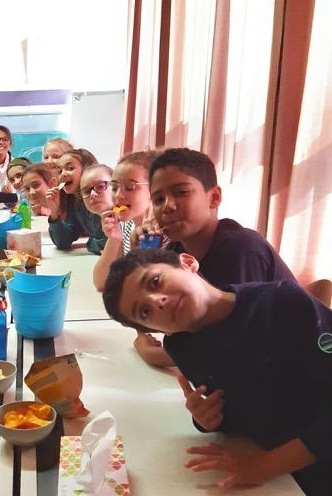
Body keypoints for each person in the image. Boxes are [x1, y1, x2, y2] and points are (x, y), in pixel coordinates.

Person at [103, 247, 329, 488]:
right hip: (281, 476)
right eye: (144, 311)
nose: (157, 301)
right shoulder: (182, 346)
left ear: (187, 262)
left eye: (155, 282)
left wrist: (263, 467)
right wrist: (208, 418)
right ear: (155, 329)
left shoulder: (282, 302)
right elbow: (244, 409)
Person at [134, 147, 295, 369]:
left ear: (214, 197)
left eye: (181, 192)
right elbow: (159, 316)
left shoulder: (241, 249)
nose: (167, 206)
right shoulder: (176, 251)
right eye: (158, 199)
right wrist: (141, 259)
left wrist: (153, 354)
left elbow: (236, 345)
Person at [93, 151, 156, 291]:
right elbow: (101, 282)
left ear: (154, 189)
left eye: (129, 187)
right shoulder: (126, 225)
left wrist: (146, 242)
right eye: (114, 187)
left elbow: (145, 286)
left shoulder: (161, 233)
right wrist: (114, 238)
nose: (118, 195)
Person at [45, 148, 108, 254]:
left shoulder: (99, 200)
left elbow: (106, 243)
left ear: (87, 170)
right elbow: (63, 242)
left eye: (70, 168)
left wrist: (90, 244)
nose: (63, 174)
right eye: (60, 171)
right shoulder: (75, 202)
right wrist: (54, 213)